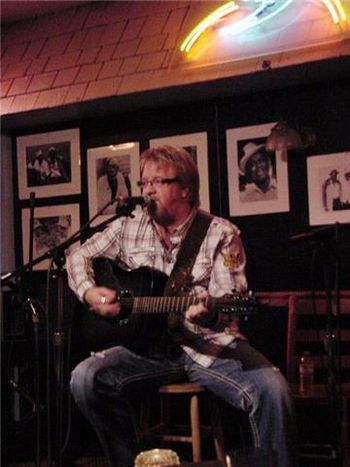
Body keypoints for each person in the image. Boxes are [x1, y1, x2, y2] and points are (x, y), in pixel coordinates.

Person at [67, 145, 297, 467]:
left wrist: (211, 313)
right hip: (145, 349)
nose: (146, 190)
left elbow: (229, 298)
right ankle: (136, 461)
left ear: (185, 188)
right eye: (143, 182)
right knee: (85, 378)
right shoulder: (127, 227)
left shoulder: (220, 233)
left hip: (206, 347)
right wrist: (90, 293)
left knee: (274, 391)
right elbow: (78, 256)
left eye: (156, 182)